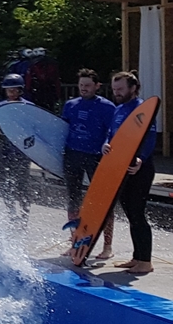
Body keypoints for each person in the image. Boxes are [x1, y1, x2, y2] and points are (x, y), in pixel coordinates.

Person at [103, 71, 158, 275]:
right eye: (114, 89)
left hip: (139, 168)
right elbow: (111, 133)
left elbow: (150, 137)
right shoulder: (118, 110)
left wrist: (140, 159)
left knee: (137, 212)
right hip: (122, 167)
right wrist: (105, 145)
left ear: (133, 88)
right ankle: (137, 257)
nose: (116, 93)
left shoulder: (142, 109)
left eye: (120, 89)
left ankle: (146, 261)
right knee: (130, 212)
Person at [60, 69, 116, 258]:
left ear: (97, 86)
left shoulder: (107, 107)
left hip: (96, 157)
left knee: (103, 201)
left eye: (88, 85)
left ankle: (107, 246)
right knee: (73, 200)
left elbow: (113, 132)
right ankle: (75, 242)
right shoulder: (70, 105)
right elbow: (61, 130)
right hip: (73, 154)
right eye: (81, 85)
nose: (84, 89)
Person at [0, 74, 34, 219]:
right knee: (4, 183)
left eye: (14, 90)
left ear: (20, 90)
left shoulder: (28, 107)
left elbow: (33, 128)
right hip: (2, 151)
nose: (11, 93)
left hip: (20, 152)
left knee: (22, 185)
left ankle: (24, 215)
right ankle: (11, 213)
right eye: (8, 90)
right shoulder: (0, 107)